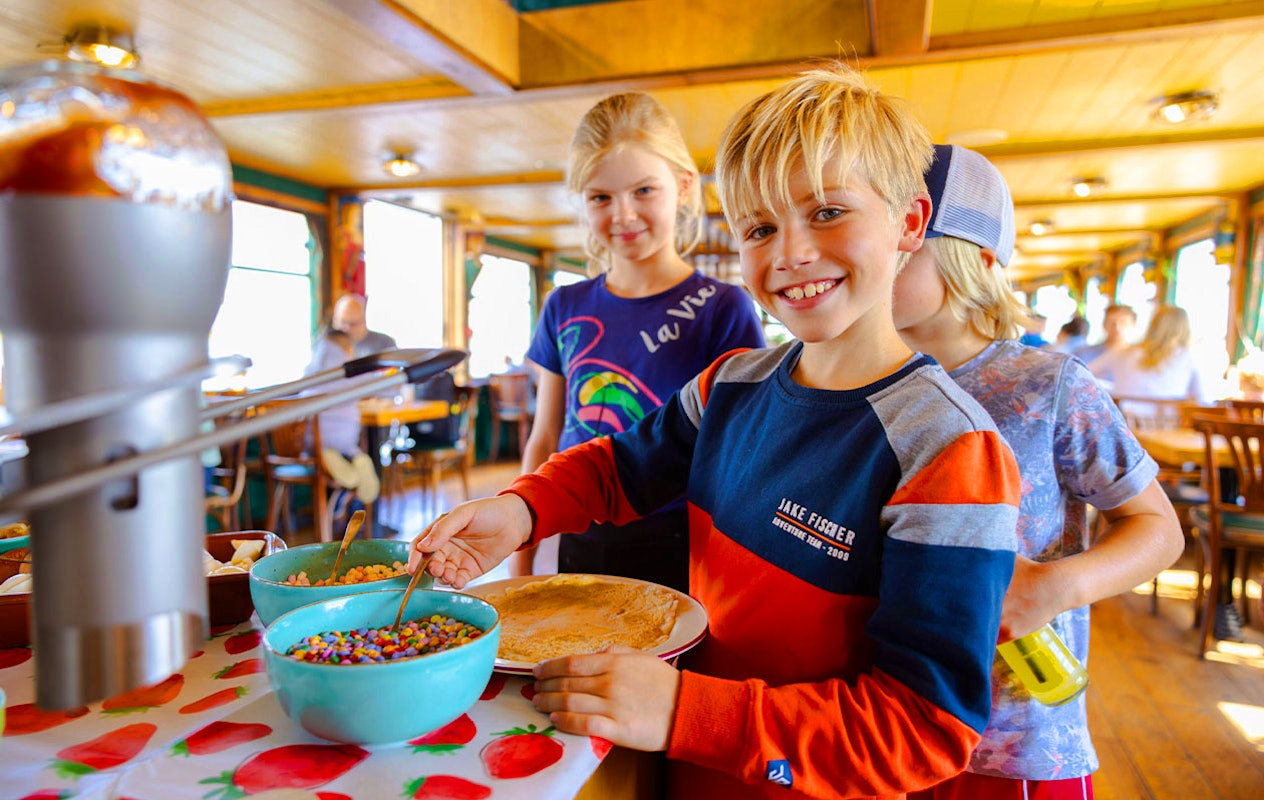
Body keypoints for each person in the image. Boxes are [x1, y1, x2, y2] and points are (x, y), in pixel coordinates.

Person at [410, 63, 1023, 800]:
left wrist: (686, 711)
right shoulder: (728, 385)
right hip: (683, 763)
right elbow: (616, 468)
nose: (791, 253)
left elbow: (922, 729)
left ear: (910, 223)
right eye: (761, 228)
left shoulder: (949, 450)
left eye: (828, 212)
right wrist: (521, 510)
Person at [891, 144, 1184, 800]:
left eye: (906, 242)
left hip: (1010, 738)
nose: (876, 254)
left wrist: (1054, 588)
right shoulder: (854, 383)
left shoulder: (1048, 385)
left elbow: (1158, 529)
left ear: (978, 261)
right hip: (879, 717)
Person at [509, 91, 765, 592]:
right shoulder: (563, 305)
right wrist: (522, 560)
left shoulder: (722, 308)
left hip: (680, 539)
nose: (623, 216)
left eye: (644, 190)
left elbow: (741, 452)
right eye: (601, 198)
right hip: (579, 529)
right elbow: (545, 437)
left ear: (684, 186)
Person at [304, 326, 380, 509]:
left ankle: (331, 457)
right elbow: (379, 386)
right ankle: (357, 459)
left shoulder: (312, 368)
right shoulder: (348, 369)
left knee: (323, 446)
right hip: (344, 438)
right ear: (347, 347)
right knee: (354, 448)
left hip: (312, 440)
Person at [1088, 305, 1211, 403]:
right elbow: (1202, 401)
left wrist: (1114, 389)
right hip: (1169, 425)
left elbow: (1082, 374)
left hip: (1124, 424)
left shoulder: (1121, 353)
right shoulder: (1188, 356)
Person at [330, 292, 397, 358]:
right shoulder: (327, 345)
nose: (346, 329)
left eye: (353, 324)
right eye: (343, 322)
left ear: (364, 322)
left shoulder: (384, 344)